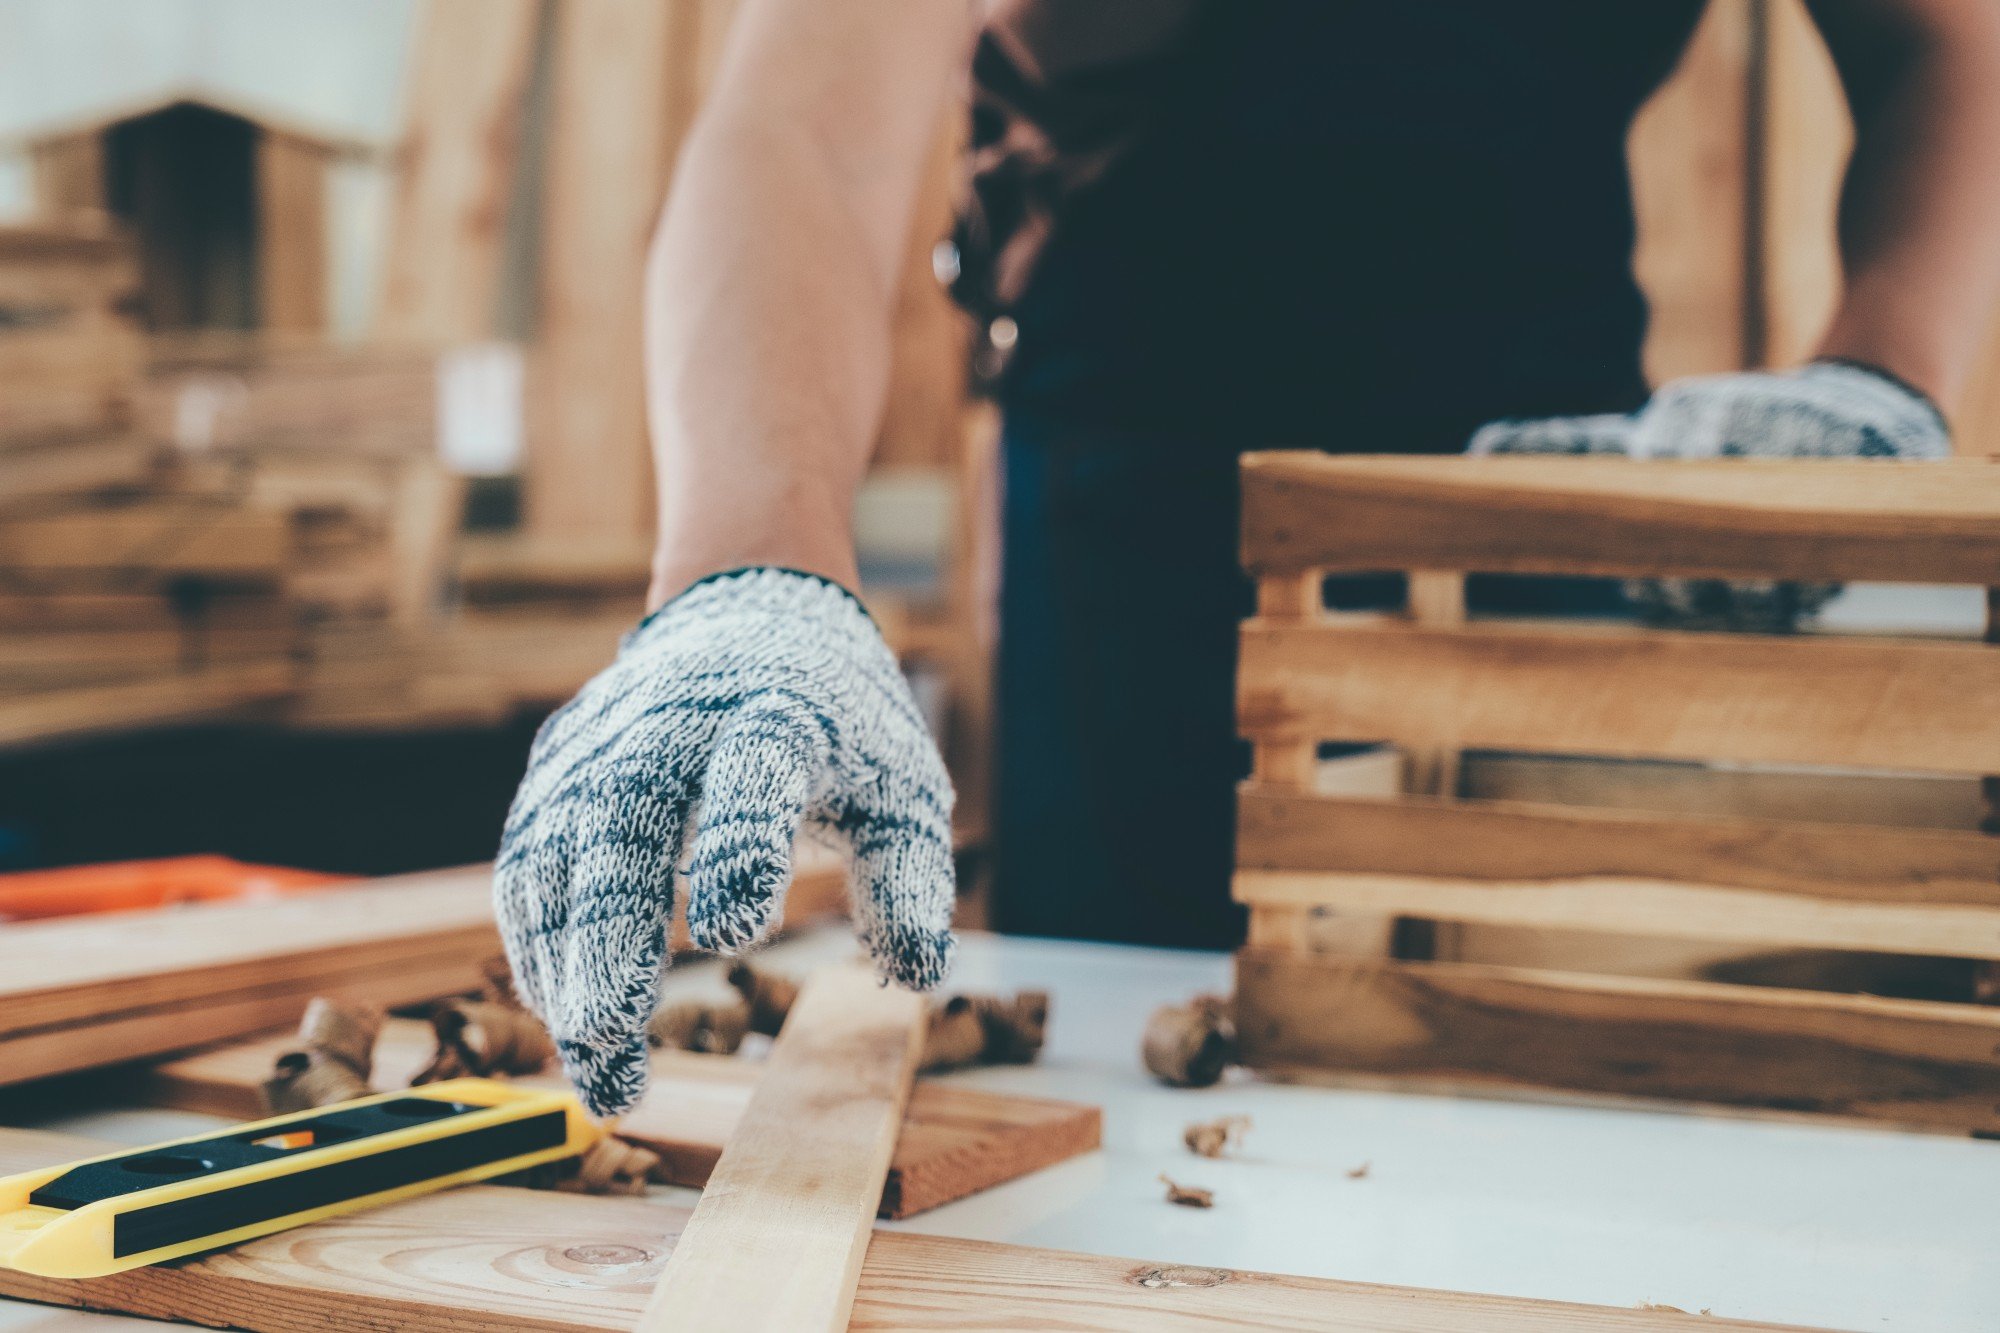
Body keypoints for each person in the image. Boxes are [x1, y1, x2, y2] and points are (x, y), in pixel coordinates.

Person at [494, 0, 2000, 1116]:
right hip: (1143, 520)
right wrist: (753, 573)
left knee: (1567, 1091)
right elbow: (805, 122)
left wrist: (1882, 370)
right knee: (1145, 1112)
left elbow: (1947, 43)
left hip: (1548, 508)